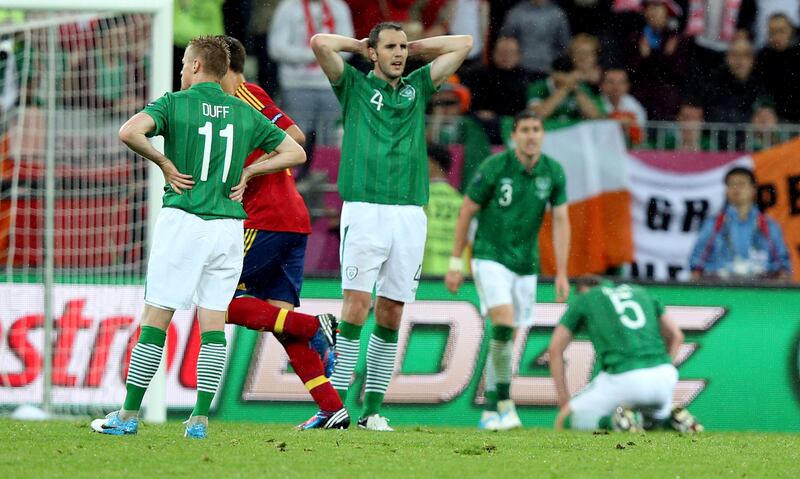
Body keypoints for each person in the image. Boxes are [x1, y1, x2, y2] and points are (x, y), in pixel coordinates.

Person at [90, 36, 306, 439]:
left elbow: (129, 131)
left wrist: (164, 163)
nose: (181, 70)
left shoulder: (175, 102)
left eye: (184, 64)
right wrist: (249, 173)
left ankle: (127, 414)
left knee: (157, 318)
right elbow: (296, 151)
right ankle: (200, 420)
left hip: (184, 221)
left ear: (194, 67)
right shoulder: (243, 112)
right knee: (213, 324)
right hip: (227, 228)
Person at [311, 22, 473, 431]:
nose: (399, 54)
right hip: (365, 209)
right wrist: (362, 46)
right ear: (373, 52)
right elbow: (320, 43)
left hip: (409, 213)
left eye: (402, 48)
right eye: (391, 47)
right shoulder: (353, 86)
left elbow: (464, 44)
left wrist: (414, 48)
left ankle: (372, 411)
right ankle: (338, 406)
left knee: (392, 310)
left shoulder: (418, 85)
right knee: (357, 306)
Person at [216, 36, 348, 430]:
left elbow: (294, 136)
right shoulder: (225, 108)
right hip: (291, 220)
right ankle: (331, 408)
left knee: (218, 300)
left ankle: (316, 326)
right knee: (280, 323)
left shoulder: (245, 93)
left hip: (267, 219)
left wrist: (251, 170)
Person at [445, 111, 571, 431]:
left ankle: (490, 409)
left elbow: (560, 220)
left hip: (525, 264)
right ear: (514, 136)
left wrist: (561, 273)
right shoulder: (494, 167)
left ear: (543, 135)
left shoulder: (553, 172)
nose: (531, 136)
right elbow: (467, 210)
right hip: (490, 255)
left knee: (508, 337)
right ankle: (505, 402)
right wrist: (456, 261)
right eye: (525, 130)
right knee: (502, 321)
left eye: (536, 129)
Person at [548, 275, 703, 433]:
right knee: (650, 425)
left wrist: (564, 401)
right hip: (664, 376)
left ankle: (613, 423)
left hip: (623, 378)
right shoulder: (641, 292)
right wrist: (662, 370)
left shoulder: (586, 298)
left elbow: (554, 349)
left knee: (565, 419)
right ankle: (670, 419)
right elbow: (677, 336)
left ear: (581, 290)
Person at [269, 0, 354, 179]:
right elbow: (276, 48)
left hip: (330, 84)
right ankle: (293, 184)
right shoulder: (288, 7)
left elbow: (349, 45)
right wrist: (317, 53)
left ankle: (327, 192)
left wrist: (321, 54)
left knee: (329, 140)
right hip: (296, 85)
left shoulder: (338, 7)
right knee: (295, 139)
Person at [689, 167, 792, 280]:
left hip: (760, 289)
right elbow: (697, 263)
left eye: (741, 184)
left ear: (753, 189)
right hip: (721, 288)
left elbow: (783, 265)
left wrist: (782, 276)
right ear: (726, 190)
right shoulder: (713, 224)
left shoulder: (769, 225)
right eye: (731, 184)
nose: (736, 188)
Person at [499, 0, 571, 79]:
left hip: (548, 68)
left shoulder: (558, 14)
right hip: (521, 68)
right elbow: (506, 40)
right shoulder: (517, 12)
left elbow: (564, 44)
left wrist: (556, 63)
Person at [527, 55, 605, 127]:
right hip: (548, 132)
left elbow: (594, 116)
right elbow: (537, 115)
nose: (567, 77)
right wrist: (565, 88)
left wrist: (576, 90)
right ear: (554, 74)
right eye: (563, 73)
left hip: (576, 133)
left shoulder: (582, 87)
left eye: (569, 73)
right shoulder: (538, 87)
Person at [422, 143, 463, 276]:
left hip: (424, 276)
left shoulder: (420, 200)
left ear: (432, 164)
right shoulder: (461, 201)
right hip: (457, 276)